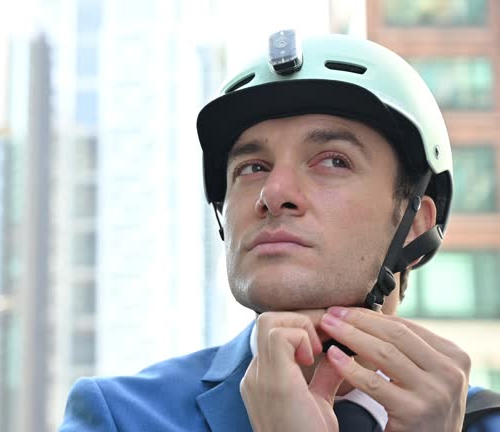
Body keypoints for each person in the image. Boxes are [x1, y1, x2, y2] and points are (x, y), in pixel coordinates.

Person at [59, 32, 500, 431]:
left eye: (333, 160)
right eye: (252, 167)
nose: (273, 193)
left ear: (415, 225)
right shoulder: (121, 416)